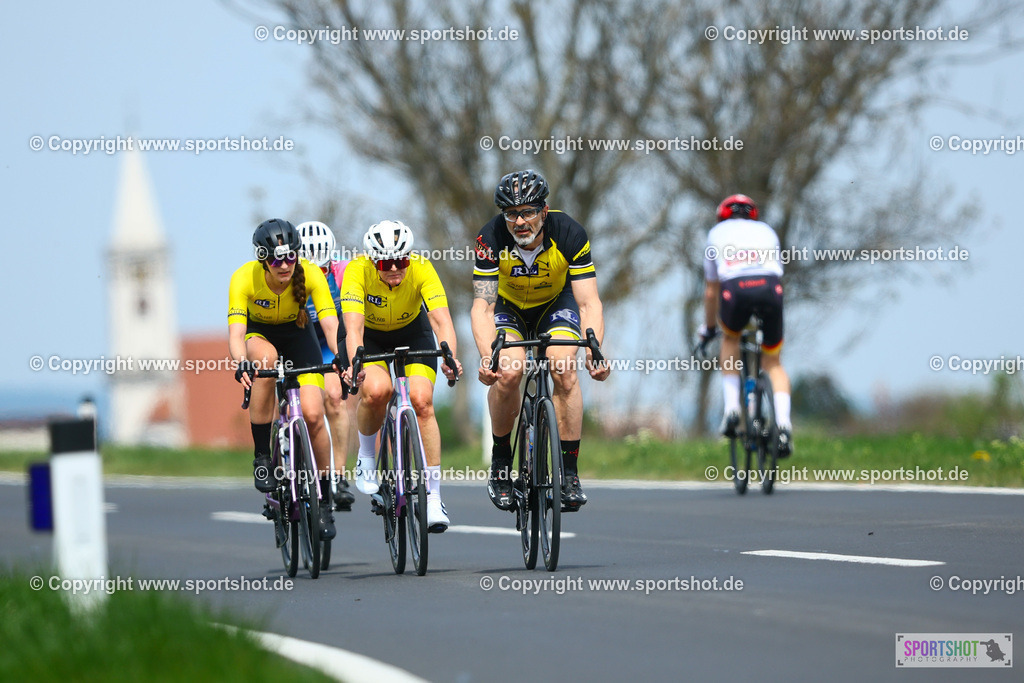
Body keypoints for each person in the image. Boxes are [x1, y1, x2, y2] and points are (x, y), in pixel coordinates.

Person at [471, 169, 610, 513]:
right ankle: (502, 464)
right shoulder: (489, 240)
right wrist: (488, 356)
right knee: (509, 372)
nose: (520, 221)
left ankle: (571, 474)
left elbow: (589, 303)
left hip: (554, 304)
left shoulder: (570, 233)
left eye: (528, 212)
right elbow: (482, 306)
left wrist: (594, 349)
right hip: (509, 309)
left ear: (544, 211)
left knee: (564, 367)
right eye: (511, 214)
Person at [340, 220, 462, 533]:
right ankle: (367, 456)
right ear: (372, 260)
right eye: (386, 263)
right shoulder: (357, 271)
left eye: (401, 261)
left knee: (422, 401)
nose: (395, 268)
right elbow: (354, 328)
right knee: (377, 391)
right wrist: (357, 362)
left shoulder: (422, 268)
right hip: (371, 337)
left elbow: (441, 321)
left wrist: (450, 356)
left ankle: (433, 497)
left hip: (412, 332)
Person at [229, 218, 341, 540]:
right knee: (265, 361)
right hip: (259, 334)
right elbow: (237, 334)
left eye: (291, 256)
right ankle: (262, 456)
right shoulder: (243, 278)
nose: (285, 265)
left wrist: (345, 359)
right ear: (263, 257)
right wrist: (241, 363)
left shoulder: (311, 275)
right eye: (277, 259)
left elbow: (332, 327)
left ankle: (324, 497)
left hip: (297, 335)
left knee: (313, 414)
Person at [699, 194, 793, 456]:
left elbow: (710, 292)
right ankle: (784, 426)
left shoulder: (716, 233)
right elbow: (776, 271)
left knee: (730, 339)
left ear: (722, 216)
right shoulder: (767, 231)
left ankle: (732, 409)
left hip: (735, 289)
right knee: (773, 362)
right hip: (770, 289)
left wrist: (708, 330)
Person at [297, 220, 357, 512]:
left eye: (322, 269)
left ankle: (338, 476)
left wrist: (346, 359)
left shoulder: (343, 272)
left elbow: (346, 320)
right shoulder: (287, 275)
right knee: (287, 399)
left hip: (328, 340)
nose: (317, 277)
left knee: (334, 398)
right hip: (297, 341)